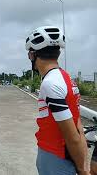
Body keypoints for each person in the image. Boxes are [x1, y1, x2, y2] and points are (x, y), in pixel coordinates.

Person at [25, 26, 89, 175]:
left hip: (55, 158)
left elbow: (72, 136)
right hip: (61, 156)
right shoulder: (66, 78)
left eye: (29, 54)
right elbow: (77, 124)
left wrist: (83, 170)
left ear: (33, 54)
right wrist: (84, 164)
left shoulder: (50, 84)